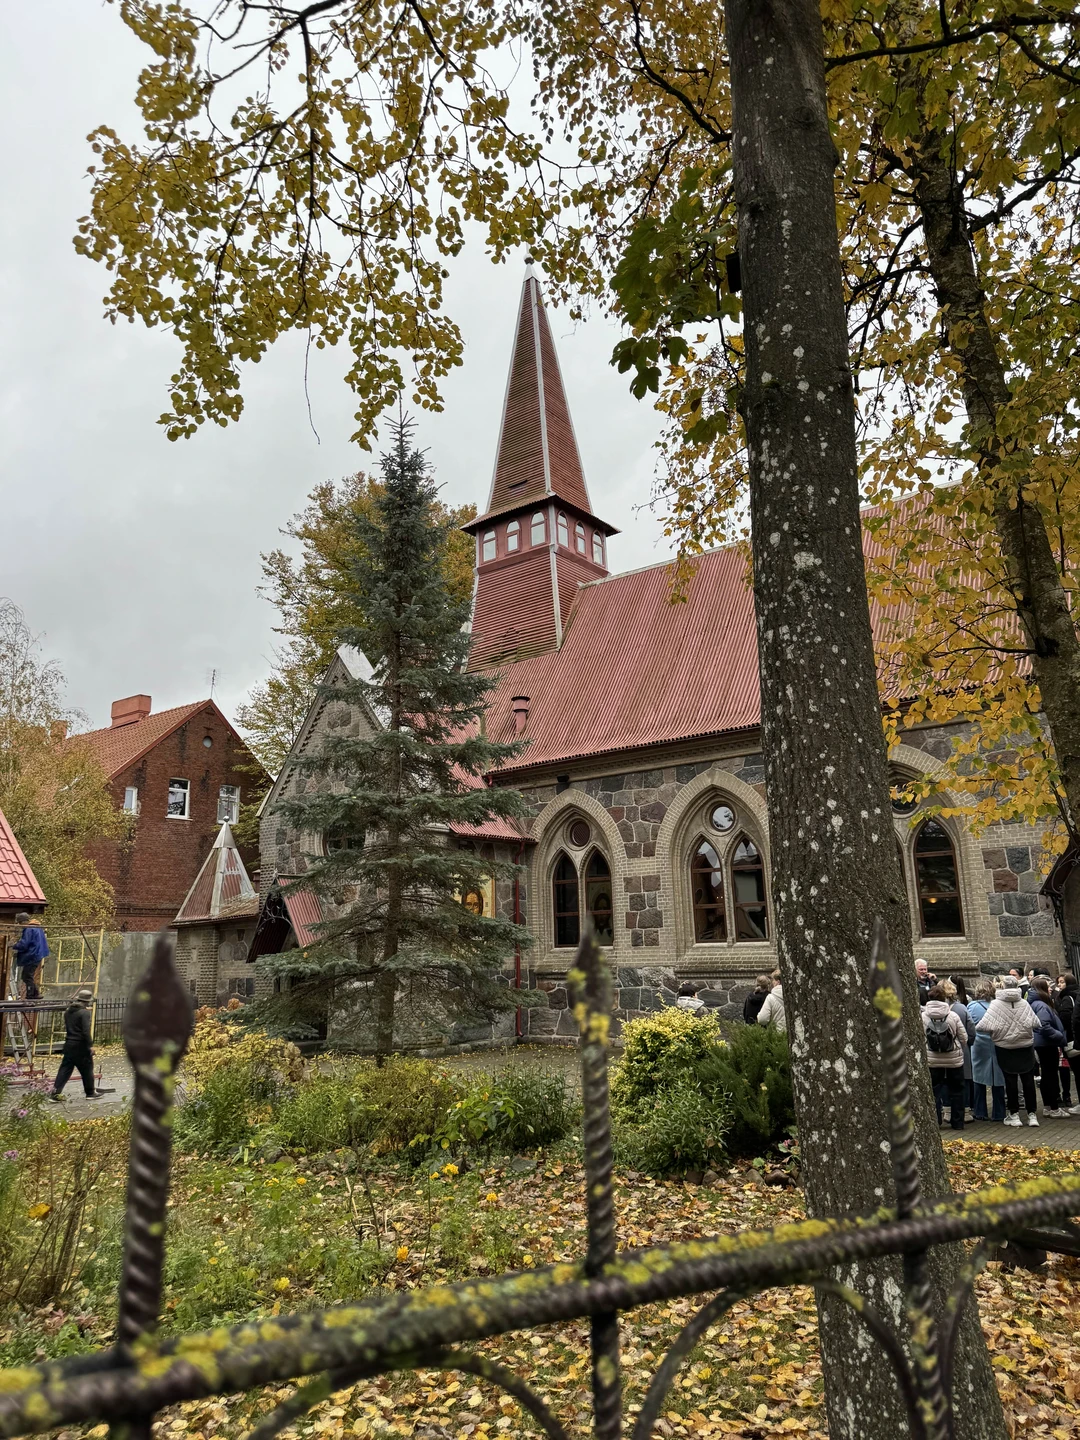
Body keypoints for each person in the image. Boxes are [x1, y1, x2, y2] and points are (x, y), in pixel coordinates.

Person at [975, 981, 1042, 1126]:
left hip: (1005, 1047)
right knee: (1028, 1081)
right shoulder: (1023, 1003)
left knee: (1010, 1081)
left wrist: (999, 1030)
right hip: (1025, 1046)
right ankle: (1032, 1115)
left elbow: (982, 1026)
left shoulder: (996, 1004)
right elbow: (1036, 1023)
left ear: (1003, 987)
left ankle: (1014, 1114)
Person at [921, 984, 966, 1130]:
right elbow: (963, 1037)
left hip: (932, 1059)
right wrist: (959, 1047)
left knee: (934, 1091)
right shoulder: (952, 1015)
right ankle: (958, 1122)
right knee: (957, 1090)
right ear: (944, 998)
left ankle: (936, 1121)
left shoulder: (923, 1016)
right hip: (954, 1059)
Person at [50, 989, 105, 1102]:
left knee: (65, 1069)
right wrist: (90, 1045)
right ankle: (90, 1093)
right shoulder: (84, 1013)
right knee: (87, 1069)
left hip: (69, 1044)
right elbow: (85, 1031)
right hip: (80, 1046)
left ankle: (55, 1094)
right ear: (87, 1001)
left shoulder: (68, 1011)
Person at [1028, 976, 1068, 1116]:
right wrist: (1058, 1036)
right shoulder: (1042, 1005)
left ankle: (1048, 1107)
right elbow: (1044, 1025)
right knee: (1050, 1075)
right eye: (1048, 986)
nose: (1051, 988)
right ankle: (1054, 1108)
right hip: (1047, 1044)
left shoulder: (1038, 1004)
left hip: (1043, 1043)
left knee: (1046, 1075)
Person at [967, 980, 1006, 1122]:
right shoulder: (999, 1006)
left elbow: (969, 1026)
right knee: (998, 1078)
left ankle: (980, 1111)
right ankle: (999, 1112)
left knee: (978, 1078)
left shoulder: (972, 1006)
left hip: (978, 1044)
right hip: (997, 1042)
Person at [942, 978, 976, 1113]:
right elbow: (971, 1029)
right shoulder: (962, 1008)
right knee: (964, 1079)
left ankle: (947, 1110)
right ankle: (966, 1109)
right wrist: (968, 1044)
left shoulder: (929, 1009)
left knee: (944, 1080)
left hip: (938, 1050)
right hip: (961, 1048)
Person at [1054, 974, 1080, 1113]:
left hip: (1074, 1040)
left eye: (1062, 982)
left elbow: (1068, 1018)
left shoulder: (1067, 998)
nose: (1059, 985)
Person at [12, 911, 49, 1000]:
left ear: (24, 921)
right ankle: (35, 993)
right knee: (28, 975)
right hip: (37, 954)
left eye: (20, 923)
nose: (20, 926)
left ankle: (31, 994)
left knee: (27, 976)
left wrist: (13, 945)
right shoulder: (37, 928)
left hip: (32, 955)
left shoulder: (29, 929)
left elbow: (24, 944)